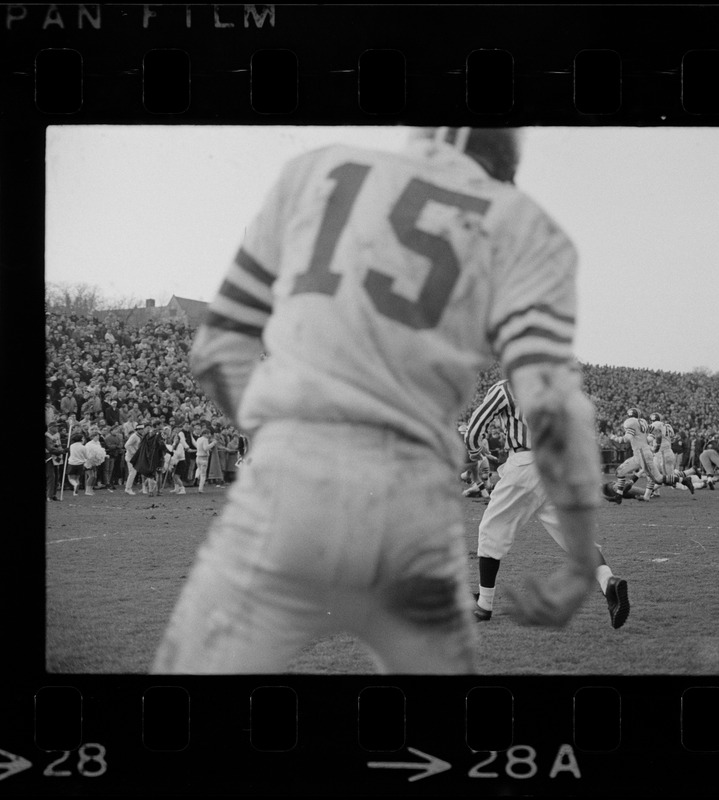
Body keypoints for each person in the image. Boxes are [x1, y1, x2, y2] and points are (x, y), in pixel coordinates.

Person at [153, 127, 603, 675]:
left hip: (287, 491)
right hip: (411, 511)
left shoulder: (316, 170)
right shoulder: (528, 228)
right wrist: (581, 559)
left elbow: (218, 350)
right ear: (507, 156)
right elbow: (555, 407)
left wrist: (285, 440)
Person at [463, 378, 628, 628]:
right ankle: (609, 583)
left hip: (526, 465)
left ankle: (484, 605)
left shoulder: (507, 387)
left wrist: (475, 452)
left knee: (490, 532)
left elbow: (476, 424)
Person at [123, 423, 144, 495]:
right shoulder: (134, 436)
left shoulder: (140, 436)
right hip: (131, 457)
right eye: (139, 429)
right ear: (137, 430)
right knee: (132, 472)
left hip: (136, 457)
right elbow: (127, 445)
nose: (141, 430)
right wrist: (134, 453)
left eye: (142, 429)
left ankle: (128, 488)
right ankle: (128, 488)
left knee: (133, 472)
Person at [45, 422, 64, 501]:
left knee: (56, 476)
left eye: (57, 427)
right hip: (49, 458)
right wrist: (61, 451)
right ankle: (49, 495)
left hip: (56, 458)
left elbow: (58, 446)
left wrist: (61, 450)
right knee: (51, 477)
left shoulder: (57, 436)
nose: (57, 428)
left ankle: (53, 494)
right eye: (55, 427)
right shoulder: (47, 436)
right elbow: (50, 448)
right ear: (50, 428)